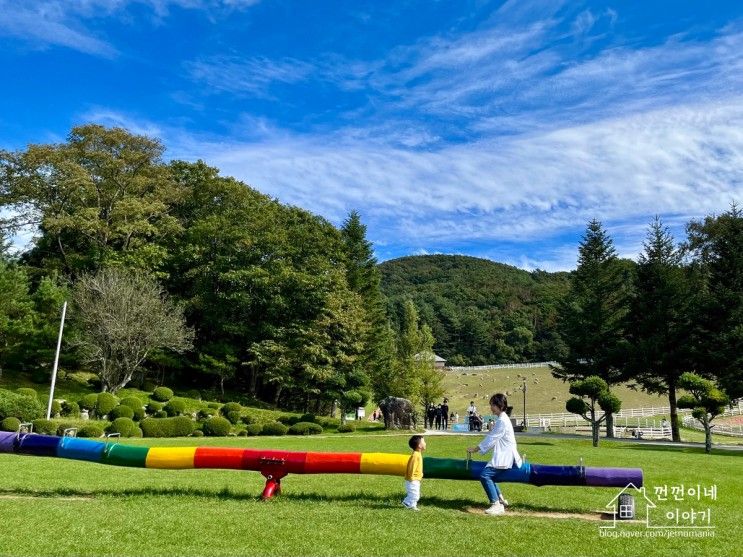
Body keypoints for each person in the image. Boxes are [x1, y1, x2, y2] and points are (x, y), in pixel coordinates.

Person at [467, 393, 522, 516]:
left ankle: (496, 504)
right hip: (505, 454)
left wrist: (475, 449)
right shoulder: (503, 419)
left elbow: (491, 438)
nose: (491, 407)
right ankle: (500, 499)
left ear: (499, 406)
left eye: (492, 405)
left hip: (506, 455)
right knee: (490, 474)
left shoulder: (502, 421)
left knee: (485, 476)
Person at [402, 435, 426, 511]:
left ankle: (412, 506)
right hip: (412, 480)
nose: (425, 443)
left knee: (415, 494)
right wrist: (411, 478)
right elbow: (412, 467)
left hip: (415, 479)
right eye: (424, 442)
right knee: (415, 495)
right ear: (419, 445)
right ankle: (406, 502)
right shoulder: (415, 455)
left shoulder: (418, 454)